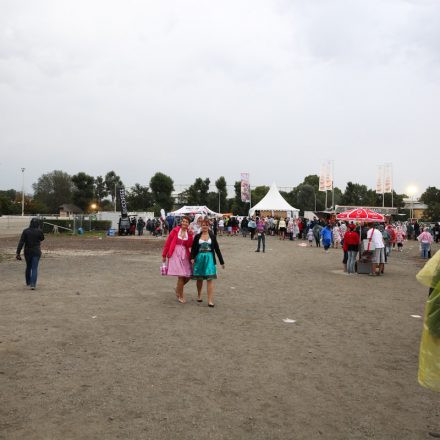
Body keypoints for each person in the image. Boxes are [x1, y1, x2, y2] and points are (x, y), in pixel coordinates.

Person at [191, 218, 225, 307]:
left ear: (208, 226)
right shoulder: (197, 236)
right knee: (199, 278)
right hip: (199, 258)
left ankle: (210, 300)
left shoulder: (212, 236)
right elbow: (193, 248)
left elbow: (217, 249)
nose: (205, 226)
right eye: (203, 225)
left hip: (210, 258)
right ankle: (199, 295)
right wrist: (192, 258)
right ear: (201, 226)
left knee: (210, 279)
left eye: (206, 225)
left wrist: (221, 262)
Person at [162, 216, 194, 304]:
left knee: (189, 275)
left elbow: (189, 245)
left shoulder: (189, 232)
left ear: (188, 224)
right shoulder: (175, 230)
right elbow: (168, 243)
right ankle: (181, 296)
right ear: (181, 222)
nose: (184, 223)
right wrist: (164, 255)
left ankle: (178, 289)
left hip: (185, 255)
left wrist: (191, 235)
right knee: (181, 275)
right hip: (175, 254)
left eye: (186, 222)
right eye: (183, 221)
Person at [16, 218, 45, 290]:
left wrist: (18, 253)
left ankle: (28, 282)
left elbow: (21, 242)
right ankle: (33, 284)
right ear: (38, 224)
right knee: (34, 268)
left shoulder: (25, 231)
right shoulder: (39, 231)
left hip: (27, 251)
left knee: (28, 266)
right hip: (36, 251)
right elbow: (42, 238)